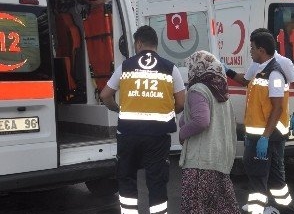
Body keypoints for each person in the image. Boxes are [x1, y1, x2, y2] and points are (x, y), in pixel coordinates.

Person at [99, 25, 186, 214]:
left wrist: (119, 109)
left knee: (127, 178)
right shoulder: (171, 68)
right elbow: (181, 102)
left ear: (139, 43)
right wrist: (165, 112)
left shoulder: (126, 66)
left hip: (128, 134)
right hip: (158, 136)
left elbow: (105, 95)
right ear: (156, 44)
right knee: (157, 181)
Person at [242, 31, 294, 214]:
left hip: (264, 135)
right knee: (274, 175)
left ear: (261, 50)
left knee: (258, 175)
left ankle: (259, 209)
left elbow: (277, 108)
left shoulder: (274, 75)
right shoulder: (261, 69)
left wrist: (265, 137)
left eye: (252, 48)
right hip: (261, 133)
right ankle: (284, 209)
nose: (250, 51)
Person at [178, 50, 240, 214]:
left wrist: (182, 133)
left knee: (196, 208)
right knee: (221, 208)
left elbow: (201, 121)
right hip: (219, 159)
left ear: (197, 68)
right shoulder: (221, 92)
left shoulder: (198, 89)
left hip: (200, 162)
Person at [225, 28, 294, 135]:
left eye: (253, 47)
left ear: (263, 47)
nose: (251, 50)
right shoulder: (257, 62)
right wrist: (227, 70)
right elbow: (245, 81)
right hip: (258, 126)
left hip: (276, 127)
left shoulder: (284, 63)